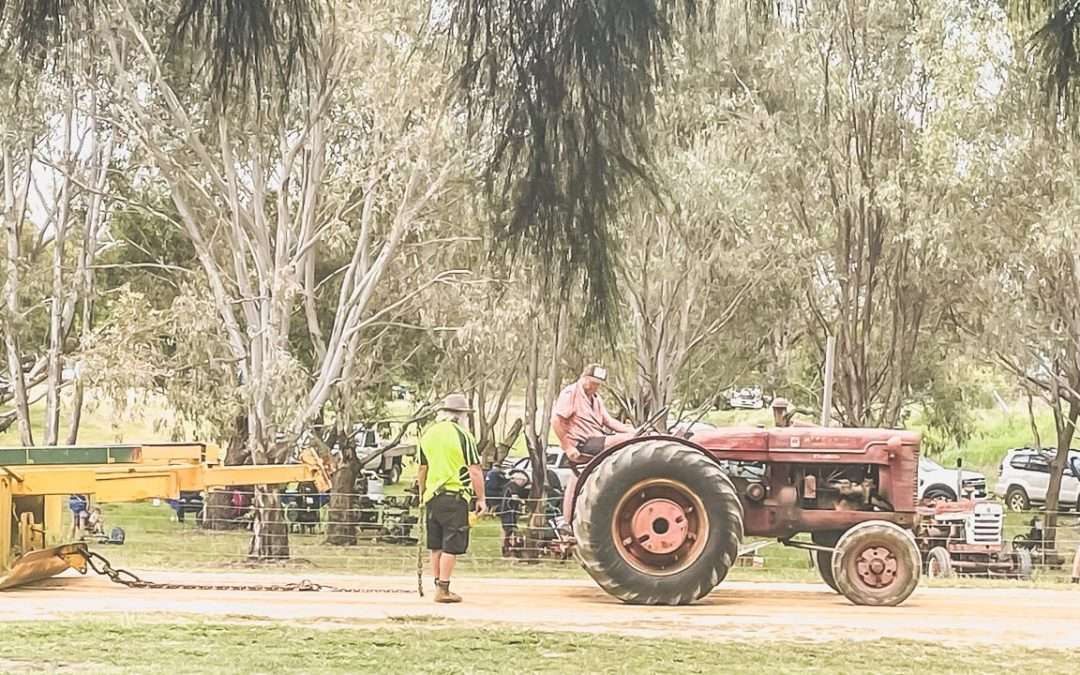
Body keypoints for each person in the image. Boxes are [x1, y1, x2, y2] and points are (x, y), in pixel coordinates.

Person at [417, 393, 487, 603]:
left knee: (436, 544)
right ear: (462, 415)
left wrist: (422, 495)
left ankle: (437, 582)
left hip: (432, 496)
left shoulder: (428, 434)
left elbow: (422, 468)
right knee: (451, 544)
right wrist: (481, 498)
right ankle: (444, 589)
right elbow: (474, 469)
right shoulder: (463, 436)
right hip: (455, 495)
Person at [551, 363, 636, 463]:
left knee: (635, 436)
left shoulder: (595, 398)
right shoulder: (570, 393)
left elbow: (608, 421)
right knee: (628, 440)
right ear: (584, 378)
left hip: (597, 439)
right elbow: (556, 421)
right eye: (593, 383)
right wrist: (568, 447)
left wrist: (631, 431)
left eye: (598, 384)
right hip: (583, 444)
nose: (596, 387)